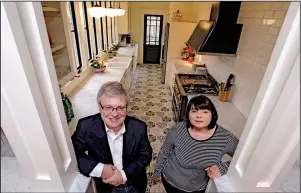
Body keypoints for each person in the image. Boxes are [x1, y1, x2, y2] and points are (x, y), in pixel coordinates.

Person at [72, 81, 152, 193]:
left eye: (120, 107)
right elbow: (74, 154)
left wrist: (123, 175)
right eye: (108, 107)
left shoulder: (139, 127)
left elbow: (145, 155)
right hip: (104, 188)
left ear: (126, 107)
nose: (114, 114)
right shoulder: (85, 126)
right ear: (99, 107)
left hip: (134, 184)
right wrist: (101, 169)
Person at [154, 95, 239, 193]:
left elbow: (245, 158)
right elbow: (165, 150)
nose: (199, 115)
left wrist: (222, 168)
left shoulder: (224, 137)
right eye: (194, 111)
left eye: (205, 111)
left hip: (199, 189)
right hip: (170, 181)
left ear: (213, 114)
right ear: (188, 114)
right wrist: (157, 172)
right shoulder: (178, 129)